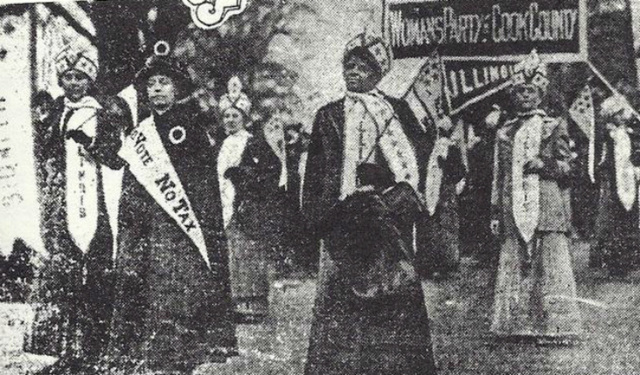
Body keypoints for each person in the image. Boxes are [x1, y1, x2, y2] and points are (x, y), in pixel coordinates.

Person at [303, 33, 437, 375]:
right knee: (339, 303)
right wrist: (319, 218)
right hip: (339, 224)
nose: (354, 72)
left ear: (378, 73)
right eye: (349, 65)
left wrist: (386, 195)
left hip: (385, 220)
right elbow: (315, 175)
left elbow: (417, 164)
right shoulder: (328, 115)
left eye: (364, 67)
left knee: (391, 298)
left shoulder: (398, 111)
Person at [104, 55, 237, 374]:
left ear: (177, 89)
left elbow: (202, 185)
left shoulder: (192, 129)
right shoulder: (141, 134)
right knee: (147, 298)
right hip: (148, 230)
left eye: (163, 83)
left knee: (179, 301)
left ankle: (177, 363)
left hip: (181, 231)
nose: (156, 90)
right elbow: (130, 185)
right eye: (150, 84)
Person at [28, 42, 127, 374]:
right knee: (64, 279)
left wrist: (92, 144)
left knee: (97, 278)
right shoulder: (52, 113)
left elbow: (116, 157)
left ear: (90, 81)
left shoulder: (103, 113)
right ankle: (64, 352)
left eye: (80, 78)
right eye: (68, 77)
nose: (73, 84)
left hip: (95, 206)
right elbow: (40, 154)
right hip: (61, 205)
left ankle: (95, 352)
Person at [489, 63, 582, 343]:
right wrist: (495, 211)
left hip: (546, 204)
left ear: (541, 94)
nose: (525, 96)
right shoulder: (504, 131)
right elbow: (498, 174)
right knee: (516, 261)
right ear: (513, 95)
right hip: (512, 203)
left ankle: (554, 326)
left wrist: (545, 163)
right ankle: (516, 325)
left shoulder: (553, 126)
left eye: (531, 91)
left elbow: (568, 167)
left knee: (548, 263)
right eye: (520, 92)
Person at [217, 76, 282, 321]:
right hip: (224, 202)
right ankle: (233, 304)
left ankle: (253, 305)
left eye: (235, 116)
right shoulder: (221, 145)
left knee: (248, 253)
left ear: (244, 118)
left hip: (247, 206)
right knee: (230, 253)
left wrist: (244, 177)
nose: (231, 120)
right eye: (227, 116)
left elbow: (267, 173)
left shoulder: (254, 143)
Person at [592, 95, 640, 277]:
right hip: (613, 182)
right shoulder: (607, 135)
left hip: (629, 181)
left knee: (629, 220)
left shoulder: (630, 133)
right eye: (616, 114)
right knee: (613, 222)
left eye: (622, 113)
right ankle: (614, 264)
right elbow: (603, 158)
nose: (620, 117)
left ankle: (630, 261)